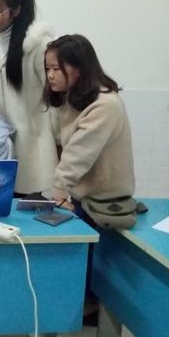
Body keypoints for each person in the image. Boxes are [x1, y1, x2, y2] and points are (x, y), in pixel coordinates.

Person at [0, 0, 57, 197]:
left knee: (29, 203)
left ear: (15, 11)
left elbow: (55, 94)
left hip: (33, 146)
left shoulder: (38, 44)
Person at [44, 34, 135, 218]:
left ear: (79, 69)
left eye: (56, 69)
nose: (50, 75)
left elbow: (77, 155)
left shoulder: (105, 105)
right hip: (83, 198)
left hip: (105, 205)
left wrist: (58, 192)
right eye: (47, 68)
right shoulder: (72, 98)